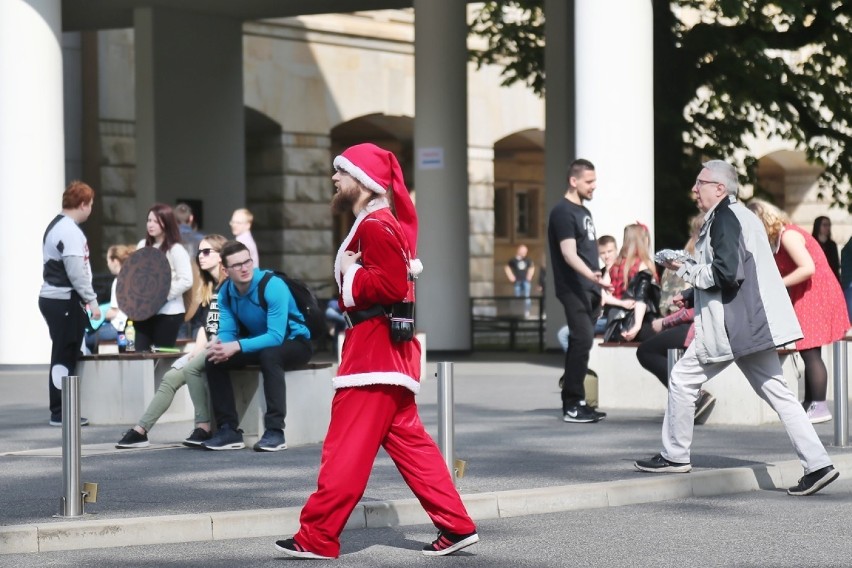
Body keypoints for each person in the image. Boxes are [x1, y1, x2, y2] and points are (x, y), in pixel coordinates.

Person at [275, 143, 478, 559]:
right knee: (413, 446)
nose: (335, 179)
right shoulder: (381, 222)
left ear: (364, 183)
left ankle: (317, 536)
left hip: (373, 356)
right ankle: (456, 527)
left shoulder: (375, 225)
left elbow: (388, 286)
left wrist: (350, 273)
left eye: (342, 173)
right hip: (387, 355)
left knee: (344, 450)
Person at [634, 160, 839, 498]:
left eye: (700, 183)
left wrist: (684, 268)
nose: (694, 190)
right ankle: (818, 465)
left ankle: (674, 457)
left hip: (732, 327)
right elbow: (735, 271)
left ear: (719, 187)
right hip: (753, 325)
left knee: (684, 380)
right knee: (781, 395)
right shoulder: (743, 216)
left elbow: (727, 274)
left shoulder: (724, 220)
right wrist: (692, 293)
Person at [115, 235, 228, 449]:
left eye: (206, 252)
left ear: (221, 256)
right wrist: (196, 350)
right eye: (199, 252)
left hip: (226, 344)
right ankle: (141, 430)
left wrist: (199, 352)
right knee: (170, 376)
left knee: (191, 368)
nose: (201, 257)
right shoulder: (206, 287)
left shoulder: (229, 285)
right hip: (208, 345)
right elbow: (204, 326)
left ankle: (203, 427)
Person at [202, 240, 312, 452]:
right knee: (214, 360)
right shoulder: (225, 292)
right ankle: (228, 430)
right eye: (237, 265)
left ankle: (275, 431)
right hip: (259, 342)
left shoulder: (272, 285)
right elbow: (226, 332)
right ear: (225, 270)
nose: (244, 268)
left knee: (270, 355)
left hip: (295, 343)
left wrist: (236, 346)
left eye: (247, 262)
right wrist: (222, 347)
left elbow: (276, 337)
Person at [747, 199, 850, 423]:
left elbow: (807, 267)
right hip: (809, 292)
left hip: (815, 293)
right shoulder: (779, 239)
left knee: (809, 350)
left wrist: (777, 284)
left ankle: (820, 405)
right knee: (810, 350)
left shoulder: (789, 236)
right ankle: (810, 402)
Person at [548, 158, 611, 424]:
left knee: (582, 343)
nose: (594, 186)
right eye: (589, 181)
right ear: (573, 181)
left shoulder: (584, 212)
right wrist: (593, 277)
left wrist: (600, 290)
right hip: (572, 287)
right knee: (582, 339)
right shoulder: (563, 212)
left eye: (594, 180)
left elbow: (587, 253)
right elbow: (568, 254)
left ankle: (580, 401)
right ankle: (571, 404)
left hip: (587, 288)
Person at [39, 181, 101, 427]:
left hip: (57, 299)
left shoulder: (57, 226)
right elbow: (77, 272)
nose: (91, 209)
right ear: (83, 204)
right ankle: (60, 412)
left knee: (65, 351)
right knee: (65, 353)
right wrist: (92, 300)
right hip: (63, 299)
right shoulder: (69, 231)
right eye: (91, 204)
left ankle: (63, 409)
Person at [134, 203, 194, 351]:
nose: (151, 225)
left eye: (156, 221)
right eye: (149, 220)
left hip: (169, 312)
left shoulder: (176, 249)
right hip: (144, 311)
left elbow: (187, 280)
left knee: (161, 357)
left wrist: (163, 294)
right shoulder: (143, 245)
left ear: (166, 222)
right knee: (139, 355)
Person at [600, 223, 660, 343]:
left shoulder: (614, 265)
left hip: (615, 322)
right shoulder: (643, 265)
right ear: (644, 240)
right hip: (638, 320)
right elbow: (640, 298)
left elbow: (605, 295)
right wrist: (636, 325)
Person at [85, 244, 135, 353]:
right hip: (129, 329)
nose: (107, 264)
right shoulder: (131, 278)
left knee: (83, 339)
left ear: (115, 261)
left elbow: (114, 312)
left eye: (108, 260)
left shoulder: (118, 281)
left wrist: (98, 314)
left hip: (117, 329)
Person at [594, 235, 618, 334]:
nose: (606, 256)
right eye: (602, 253)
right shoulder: (600, 273)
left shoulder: (622, 270)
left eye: (609, 251)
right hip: (602, 316)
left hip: (615, 317)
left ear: (616, 250)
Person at [505, 243, 535, 317]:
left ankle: (526, 312)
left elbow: (532, 267)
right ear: (518, 250)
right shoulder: (513, 260)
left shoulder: (528, 259)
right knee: (517, 297)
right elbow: (507, 267)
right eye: (523, 251)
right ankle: (517, 312)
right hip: (517, 281)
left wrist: (530, 275)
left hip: (526, 281)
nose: (524, 253)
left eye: (525, 251)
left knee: (527, 297)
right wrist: (510, 276)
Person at [812, 215, 840, 284]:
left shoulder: (832, 245)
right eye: (824, 225)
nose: (827, 228)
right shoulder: (812, 243)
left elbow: (835, 265)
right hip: (815, 278)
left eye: (829, 225)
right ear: (818, 226)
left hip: (830, 278)